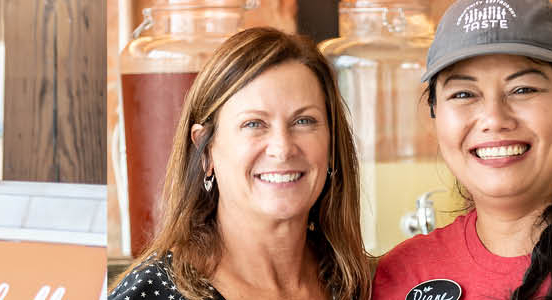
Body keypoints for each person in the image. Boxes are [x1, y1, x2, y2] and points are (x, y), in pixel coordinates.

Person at [371, 0, 552, 299]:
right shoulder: (400, 275)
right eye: (463, 94)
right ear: (436, 116)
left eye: (523, 89)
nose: (494, 119)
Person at [105, 27, 372, 300]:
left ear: (331, 143)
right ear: (205, 149)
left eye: (303, 121)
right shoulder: (151, 293)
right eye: (254, 124)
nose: (282, 148)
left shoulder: (361, 285)